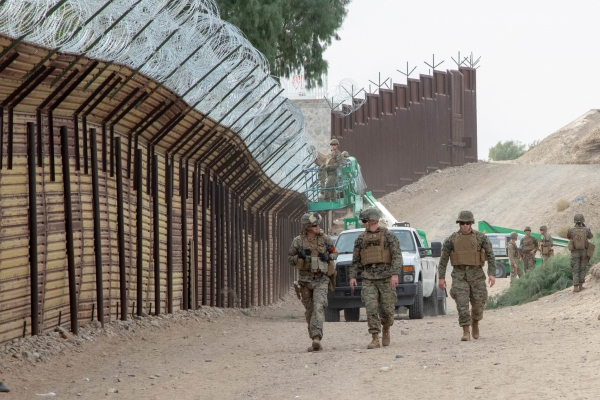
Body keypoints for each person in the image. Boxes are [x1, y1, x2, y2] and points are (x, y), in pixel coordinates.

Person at [349, 207, 402, 349]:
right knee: (370, 307)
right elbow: (355, 260)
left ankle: (386, 328)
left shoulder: (388, 235)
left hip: (385, 277)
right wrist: (352, 276)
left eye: (365, 220)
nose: (363, 223)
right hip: (368, 278)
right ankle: (374, 337)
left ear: (373, 220)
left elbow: (397, 255)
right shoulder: (361, 239)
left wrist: (395, 274)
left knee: (387, 310)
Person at [438, 211, 495, 341]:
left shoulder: (481, 238)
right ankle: (465, 330)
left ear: (471, 224)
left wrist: (491, 274)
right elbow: (443, 260)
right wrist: (441, 278)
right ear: (459, 224)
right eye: (462, 223)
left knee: (478, 304)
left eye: (467, 223)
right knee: (462, 304)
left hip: (477, 275)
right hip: (459, 275)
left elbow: (491, 256)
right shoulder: (451, 240)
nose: (464, 226)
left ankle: (475, 322)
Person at [288, 212, 338, 351]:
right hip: (305, 281)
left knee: (318, 306)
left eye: (318, 224)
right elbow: (290, 259)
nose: (317, 227)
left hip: (321, 279)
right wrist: (300, 256)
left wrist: (328, 256)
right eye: (314, 224)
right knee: (310, 311)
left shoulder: (325, 239)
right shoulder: (298, 241)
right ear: (307, 226)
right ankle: (314, 340)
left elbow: (335, 253)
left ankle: (317, 337)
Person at [566, 214, 594, 293]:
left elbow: (568, 237)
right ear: (582, 221)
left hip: (575, 252)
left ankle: (575, 287)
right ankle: (581, 286)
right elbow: (591, 236)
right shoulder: (586, 229)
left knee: (575, 269)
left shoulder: (571, 230)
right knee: (582, 268)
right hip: (584, 252)